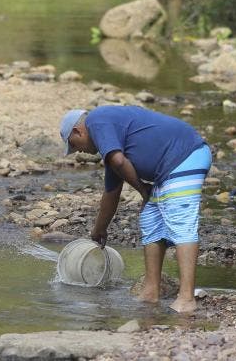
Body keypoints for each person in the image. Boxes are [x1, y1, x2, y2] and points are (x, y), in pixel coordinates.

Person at [59, 105, 212, 313]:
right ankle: (151, 292)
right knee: (150, 219)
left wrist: (143, 190)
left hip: (185, 156)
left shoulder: (97, 120)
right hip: (167, 169)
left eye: (73, 145)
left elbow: (119, 161)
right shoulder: (111, 147)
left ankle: (186, 299)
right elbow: (111, 193)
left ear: (78, 131)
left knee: (180, 222)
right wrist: (99, 230)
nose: (78, 151)